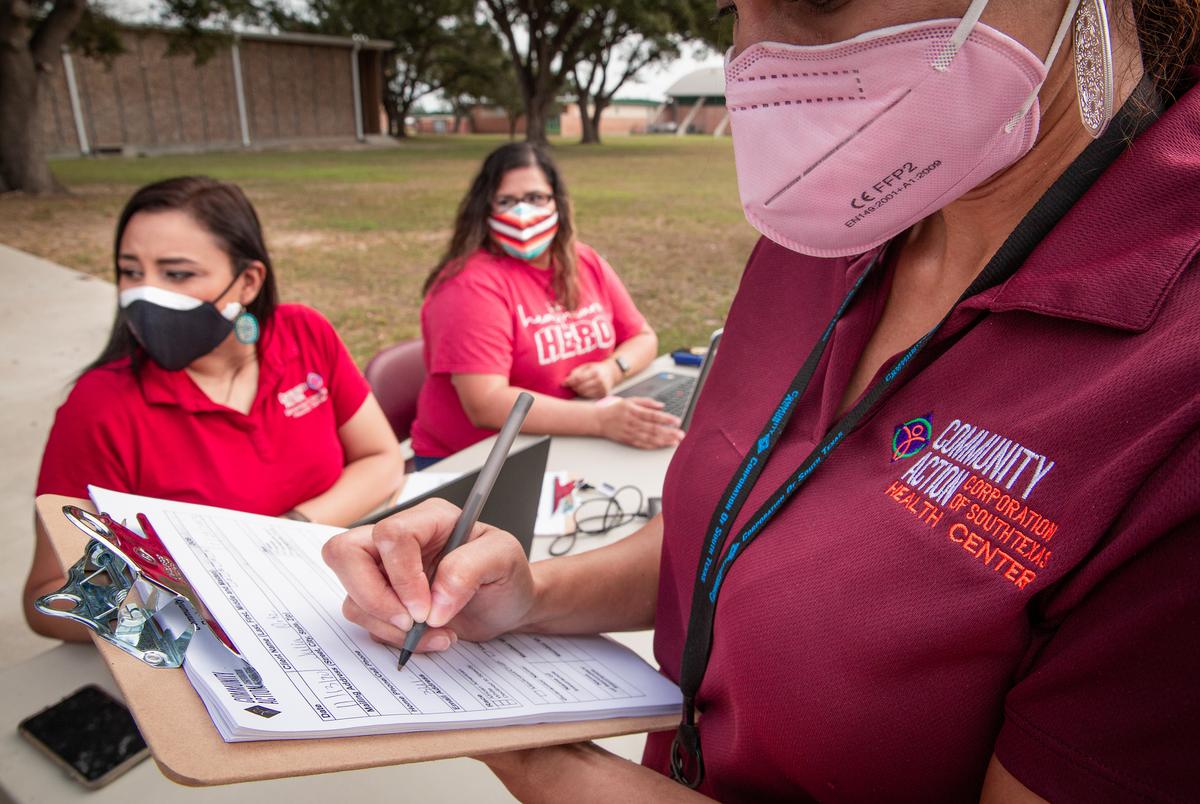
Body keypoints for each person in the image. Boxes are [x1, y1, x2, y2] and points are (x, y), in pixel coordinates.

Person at [323, 0, 1200, 800]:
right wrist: (530, 595)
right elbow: (737, 526)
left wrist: (550, 766)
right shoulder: (832, 221)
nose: (758, 52)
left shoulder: (1171, 380)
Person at [26, 176, 405, 642]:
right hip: (209, 648)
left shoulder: (305, 334)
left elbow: (381, 458)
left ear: (247, 282)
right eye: (130, 272)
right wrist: (183, 606)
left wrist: (280, 536)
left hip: (332, 605)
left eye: (177, 274)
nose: (145, 294)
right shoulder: (98, 407)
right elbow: (49, 598)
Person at [409, 142, 684, 466]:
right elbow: (486, 404)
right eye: (507, 201)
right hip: (477, 463)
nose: (523, 212)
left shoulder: (583, 260)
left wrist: (612, 369)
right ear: (485, 209)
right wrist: (600, 421)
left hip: (567, 439)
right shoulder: (469, 284)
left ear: (558, 202)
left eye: (536, 198)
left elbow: (643, 337)